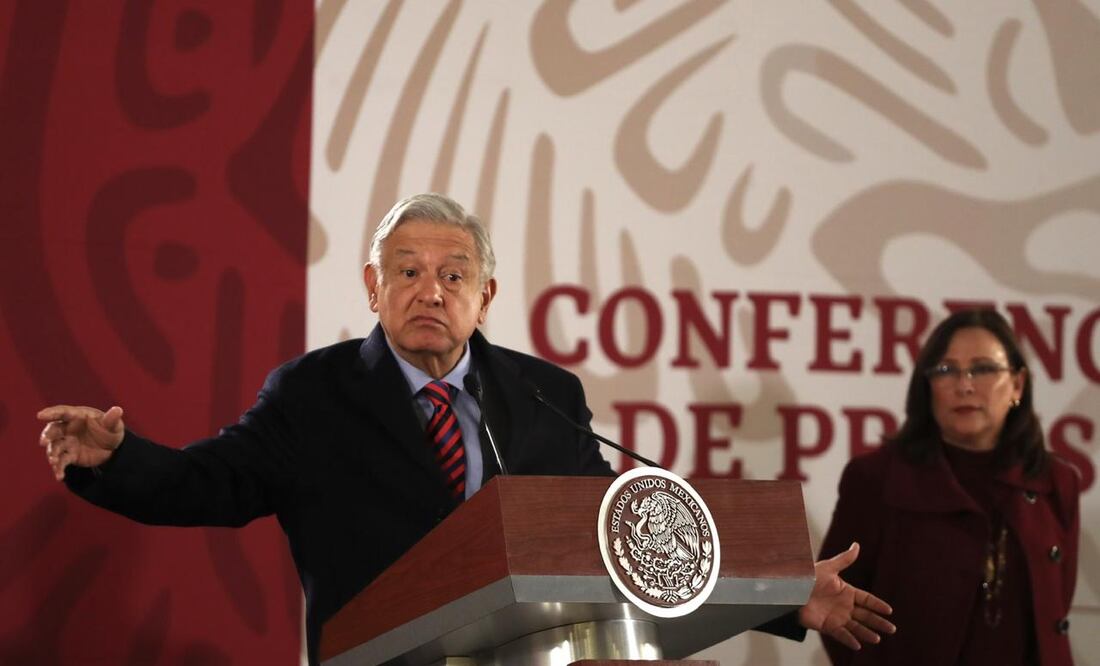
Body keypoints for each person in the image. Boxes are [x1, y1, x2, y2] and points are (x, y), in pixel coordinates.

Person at [39, 193, 893, 664]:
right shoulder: (313, 394)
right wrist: (116, 458)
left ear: (487, 295)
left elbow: (623, 539)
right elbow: (211, 485)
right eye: (407, 271)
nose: (430, 290)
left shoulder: (544, 394)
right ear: (372, 289)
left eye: (455, 273)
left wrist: (783, 596)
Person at [819, 308, 1080, 665]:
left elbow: (1055, 605)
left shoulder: (1056, 481)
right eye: (946, 370)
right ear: (927, 387)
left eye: (984, 368)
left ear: (1018, 384)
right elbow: (835, 609)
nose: (965, 385)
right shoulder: (875, 478)